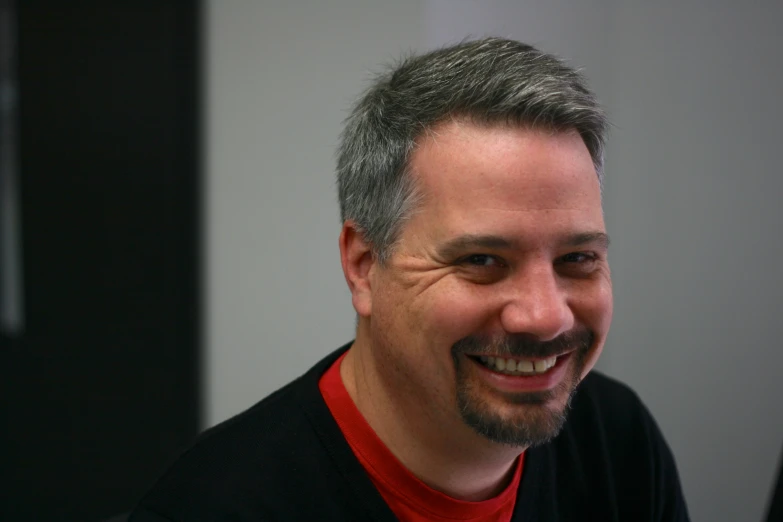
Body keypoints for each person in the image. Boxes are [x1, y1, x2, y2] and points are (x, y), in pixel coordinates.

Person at [129, 37, 690, 521]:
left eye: (578, 259)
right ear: (364, 264)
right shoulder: (212, 509)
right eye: (480, 261)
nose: (544, 316)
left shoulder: (619, 444)